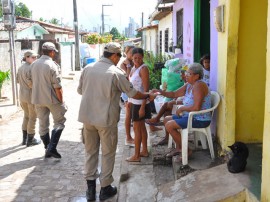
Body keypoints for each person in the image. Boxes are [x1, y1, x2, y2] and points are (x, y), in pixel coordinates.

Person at [77, 42, 157, 201]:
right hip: (105, 120)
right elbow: (133, 93)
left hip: (88, 118)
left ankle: (90, 190)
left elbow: (80, 90)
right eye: (119, 56)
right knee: (107, 153)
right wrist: (147, 95)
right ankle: (105, 188)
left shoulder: (88, 68)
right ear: (114, 56)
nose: (119, 59)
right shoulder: (115, 73)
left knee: (90, 152)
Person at [152, 63, 211, 158]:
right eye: (186, 73)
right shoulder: (189, 85)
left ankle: (187, 150)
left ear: (197, 76)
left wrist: (182, 108)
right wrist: (160, 92)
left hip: (200, 119)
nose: (186, 75)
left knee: (169, 125)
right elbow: (174, 94)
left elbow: (196, 108)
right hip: (190, 116)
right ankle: (179, 147)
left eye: (189, 74)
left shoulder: (199, 86)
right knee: (167, 119)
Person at [30, 42, 67, 159]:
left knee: (43, 124)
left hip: (37, 98)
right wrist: (61, 101)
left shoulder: (33, 64)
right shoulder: (52, 65)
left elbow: (30, 82)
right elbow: (58, 86)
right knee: (59, 122)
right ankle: (51, 148)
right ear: (51, 52)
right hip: (52, 99)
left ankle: (47, 148)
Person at [146, 65, 188, 138]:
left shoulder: (197, 86)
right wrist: (160, 92)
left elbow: (192, 103)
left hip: (187, 111)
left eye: (185, 74)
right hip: (183, 107)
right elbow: (175, 94)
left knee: (167, 106)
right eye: (182, 74)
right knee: (167, 110)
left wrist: (177, 102)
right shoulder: (187, 84)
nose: (182, 75)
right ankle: (167, 137)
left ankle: (157, 119)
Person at [127, 48, 151, 162]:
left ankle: (136, 155)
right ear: (131, 57)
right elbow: (132, 87)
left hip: (140, 103)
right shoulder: (133, 68)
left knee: (137, 130)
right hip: (134, 102)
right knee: (141, 128)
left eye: (139, 58)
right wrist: (129, 101)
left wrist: (142, 107)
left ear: (143, 57)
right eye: (135, 58)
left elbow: (146, 90)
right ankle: (144, 151)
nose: (137, 60)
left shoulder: (143, 69)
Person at [16, 50, 40, 146]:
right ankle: (31, 139)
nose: (35, 59)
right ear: (27, 57)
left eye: (36, 57)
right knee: (32, 117)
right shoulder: (31, 68)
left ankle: (24, 139)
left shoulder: (20, 67)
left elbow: (18, 80)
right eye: (33, 57)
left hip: (22, 95)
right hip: (30, 96)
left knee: (26, 116)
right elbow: (31, 84)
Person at [120, 45, 135, 146]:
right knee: (128, 114)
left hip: (135, 90)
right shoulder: (124, 64)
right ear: (126, 53)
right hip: (127, 91)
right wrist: (129, 66)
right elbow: (128, 77)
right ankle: (128, 137)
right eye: (131, 53)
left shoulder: (135, 61)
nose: (133, 55)